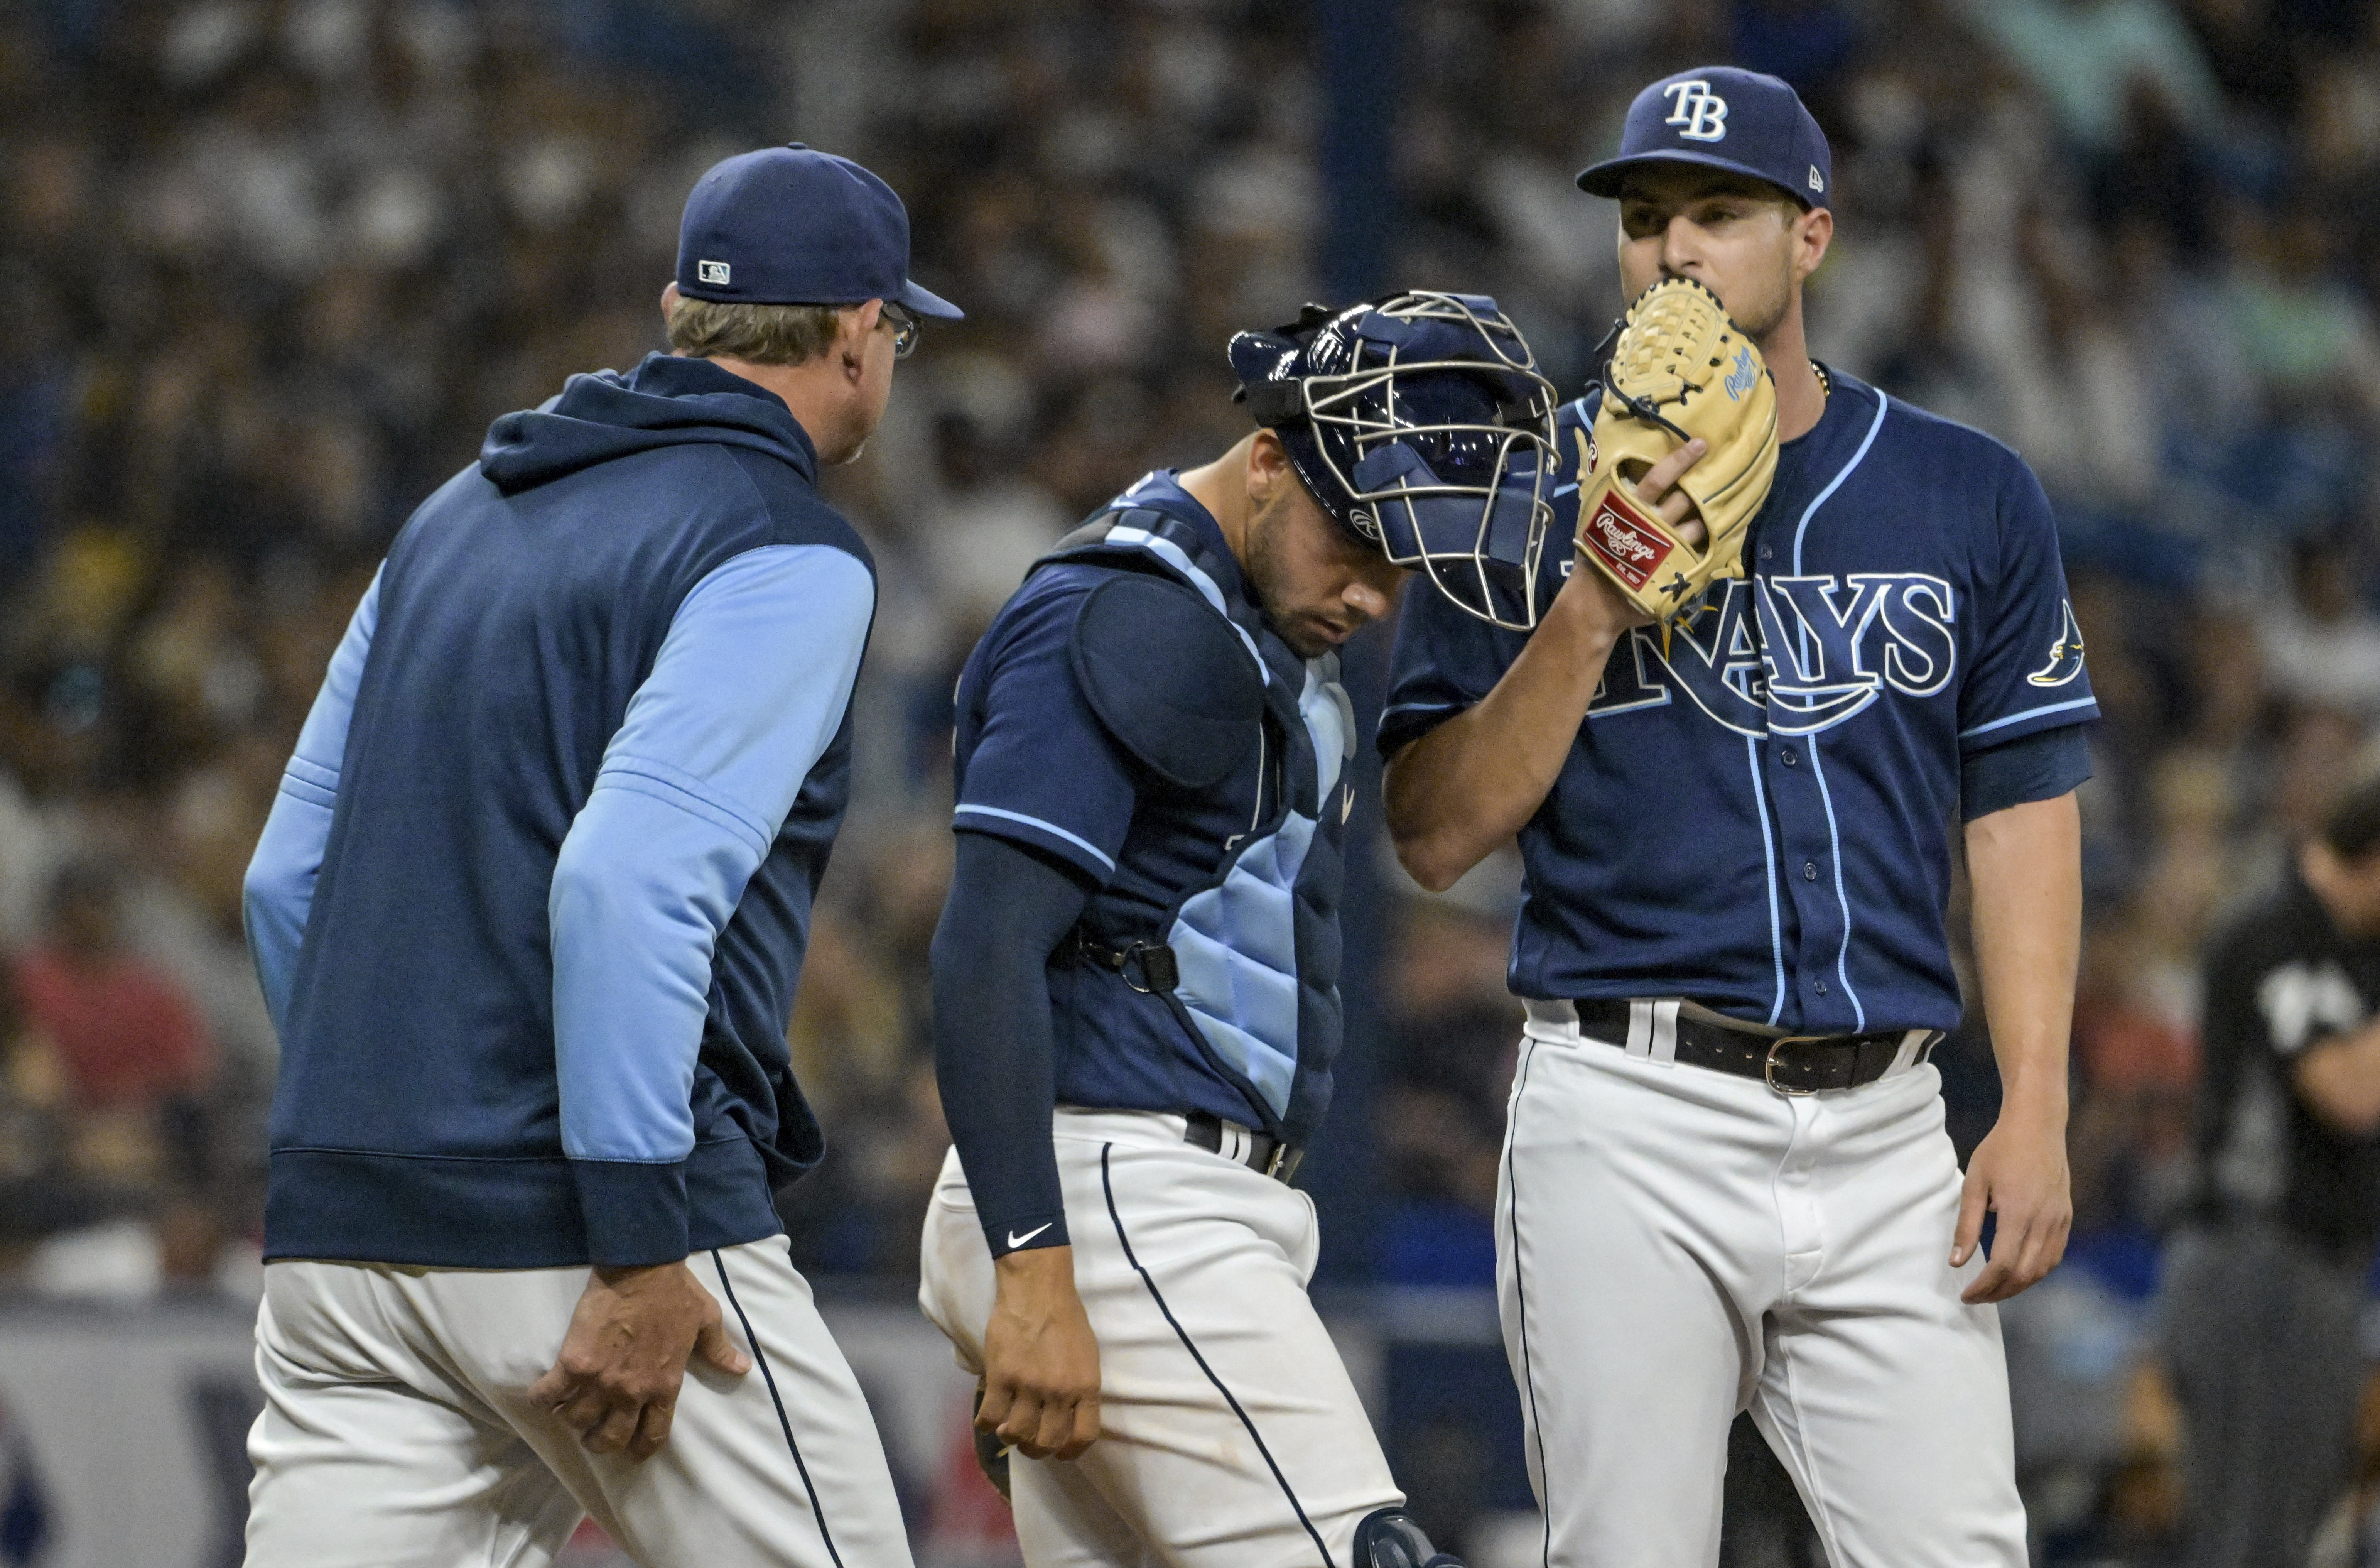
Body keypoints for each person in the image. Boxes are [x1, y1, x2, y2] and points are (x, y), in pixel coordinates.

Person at [1380, 69, 2096, 1567]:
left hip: (1892, 1120)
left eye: (1721, 212)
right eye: (1646, 220)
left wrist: (2031, 1102)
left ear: (1812, 238)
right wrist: (1589, 603)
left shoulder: (1964, 492)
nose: (1676, 249)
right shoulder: (1516, 496)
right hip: (1632, 1112)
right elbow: (1435, 831)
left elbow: (2021, 809)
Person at [236, 144, 960, 1568]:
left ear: (679, 308)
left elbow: (284, 878)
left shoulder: (450, 517)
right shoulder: (783, 548)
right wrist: (635, 1242)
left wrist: (402, 1126)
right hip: (594, 1230)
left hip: (343, 1238)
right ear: (861, 336)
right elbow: (626, 884)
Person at [916, 292, 1561, 1568]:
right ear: (1266, 458)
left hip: (1165, 1195)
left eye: (1406, 561)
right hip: (1113, 1194)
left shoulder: (1253, 611)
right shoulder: (1129, 615)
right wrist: (1035, 1267)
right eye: (1362, 540)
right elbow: (985, 943)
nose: (1380, 594)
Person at [2167, 768, 2380, 1568]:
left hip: (2313, 1272)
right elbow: (2349, 1092)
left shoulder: (2355, 947)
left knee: (2289, 1529)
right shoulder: (2275, 930)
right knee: (2246, 1537)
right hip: (2255, 1267)